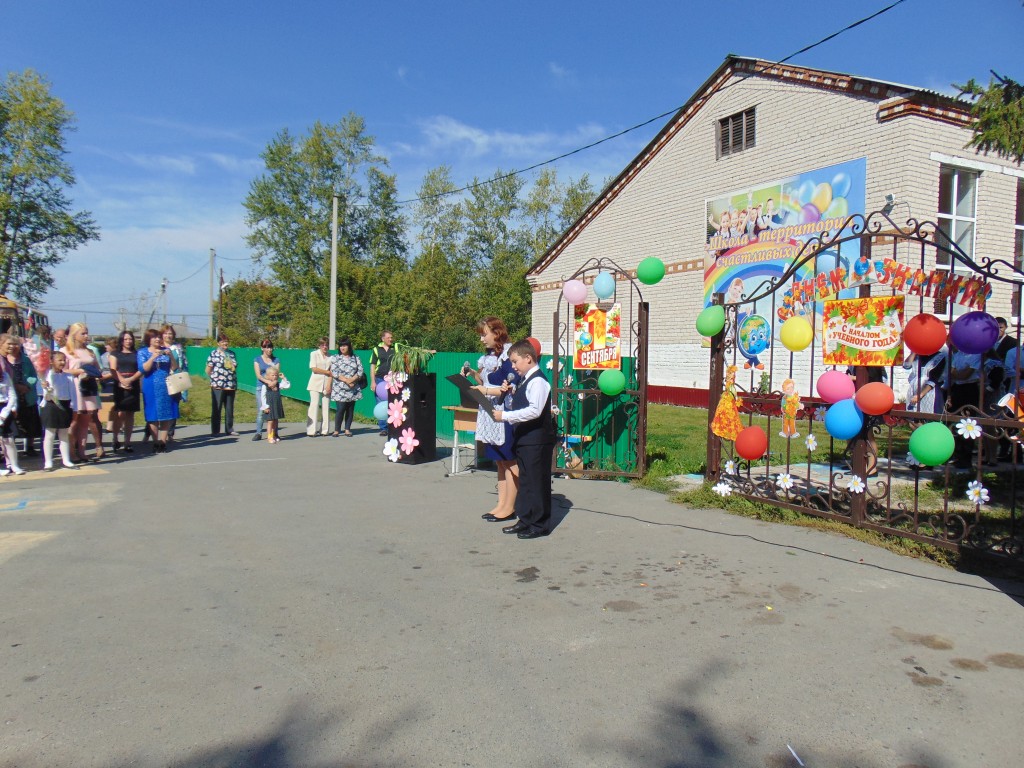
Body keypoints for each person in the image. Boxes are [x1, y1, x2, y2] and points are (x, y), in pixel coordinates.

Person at [492, 340, 556, 540]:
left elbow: (535, 411)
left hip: (537, 440)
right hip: (526, 439)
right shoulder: (525, 380)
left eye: (515, 361)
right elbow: (525, 403)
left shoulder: (538, 381)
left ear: (528, 358)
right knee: (526, 481)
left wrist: (505, 416)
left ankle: (539, 524)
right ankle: (526, 519)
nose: (513, 366)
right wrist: (511, 392)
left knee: (537, 482)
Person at [469, 317, 520, 522]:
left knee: (509, 461)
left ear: (497, 333)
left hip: (504, 413)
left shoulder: (508, 356)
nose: (482, 339)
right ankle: (501, 504)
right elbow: (486, 381)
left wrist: (485, 390)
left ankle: (510, 507)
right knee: (500, 462)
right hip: (490, 411)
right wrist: (473, 374)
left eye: (484, 334)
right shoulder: (489, 357)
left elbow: (510, 387)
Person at [64, 322, 104, 462]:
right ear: (74, 335)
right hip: (74, 386)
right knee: (74, 420)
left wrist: (93, 373)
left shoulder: (89, 351)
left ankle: (82, 451)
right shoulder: (66, 351)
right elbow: (62, 370)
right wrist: (80, 371)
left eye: (87, 333)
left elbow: (97, 369)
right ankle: (71, 452)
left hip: (88, 386)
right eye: (83, 333)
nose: (86, 336)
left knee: (86, 420)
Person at [138, 327, 177, 453]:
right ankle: (155, 441)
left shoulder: (165, 350)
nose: (157, 339)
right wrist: (153, 357)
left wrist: (171, 356)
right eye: (154, 337)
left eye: (159, 337)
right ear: (148, 339)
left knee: (166, 414)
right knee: (152, 415)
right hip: (150, 385)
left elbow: (174, 367)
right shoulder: (143, 352)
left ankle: (163, 442)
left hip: (165, 385)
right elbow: (143, 369)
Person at [39, 350, 79, 471]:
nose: (62, 362)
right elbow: (46, 396)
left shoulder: (68, 376)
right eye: (59, 360)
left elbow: (73, 394)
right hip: (51, 406)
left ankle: (66, 460)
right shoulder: (46, 376)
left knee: (64, 434)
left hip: (65, 406)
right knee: (50, 434)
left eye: (64, 360)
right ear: (51, 361)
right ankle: (48, 461)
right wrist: (46, 388)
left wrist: (75, 408)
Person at [945, 339, 982, 470]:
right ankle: (957, 455)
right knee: (956, 421)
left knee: (968, 422)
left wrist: (957, 373)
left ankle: (966, 458)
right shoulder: (958, 354)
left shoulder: (976, 354)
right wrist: (957, 373)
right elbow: (952, 372)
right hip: (958, 388)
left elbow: (965, 375)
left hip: (970, 389)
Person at [7, 336, 41, 457]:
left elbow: (33, 375)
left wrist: (27, 386)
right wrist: (16, 387)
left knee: (30, 422)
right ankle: (10, 450)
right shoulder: (4, 360)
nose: (14, 347)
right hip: (11, 394)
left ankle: (30, 447)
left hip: (27, 394)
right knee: (12, 423)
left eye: (16, 344)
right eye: (11, 344)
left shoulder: (26, 359)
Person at [108, 330, 141, 452]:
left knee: (130, 414)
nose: (128, 341)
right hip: (119, 385)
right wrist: (122, 381)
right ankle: (115, 438)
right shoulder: (115, 353)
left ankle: (127, 442)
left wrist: (131, 380)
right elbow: (113, 369)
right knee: (120, 413)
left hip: (133, 383)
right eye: (126, 339)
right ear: (121, 340)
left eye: (130, 339)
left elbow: (141, 369)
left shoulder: (137, 354)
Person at [328, 338, 363, 437]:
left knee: (350, 410)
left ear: (349, 346)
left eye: (344, 345)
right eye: (341, 346)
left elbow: (360, 371)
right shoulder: (335, 357)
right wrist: (347, 381)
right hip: (339, 388)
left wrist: (352, 380)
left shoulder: (356, 357)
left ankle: (347, 429)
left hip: (353, 388)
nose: (342, 348)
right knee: (340, 409)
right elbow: (334, 372)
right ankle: (336, 430)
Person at [205, 333, 238, 437]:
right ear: (218, 343)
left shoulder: (231, 354)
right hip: (218, 385)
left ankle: (229, 429)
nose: (225, 343)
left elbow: (234, 367)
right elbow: (208, 369)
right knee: (217, 407)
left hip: (230, 384)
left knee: (229, 408)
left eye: (226, 341)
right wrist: (215, 378)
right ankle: (215, 431)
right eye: (223, 341)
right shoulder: (213, 353)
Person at [161, 325, 187, 444]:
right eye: (165, 333)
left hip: (175, 379)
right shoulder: (158, 347)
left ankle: (170, 433)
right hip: (161, 380)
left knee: (173, 405)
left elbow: (183, 364)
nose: (168, 335)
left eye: (170, 333)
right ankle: (150, 433)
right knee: (159, 406)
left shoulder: (178, 348)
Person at [0, 351, 23, 475]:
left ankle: (14, 465)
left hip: (5, 408)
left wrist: (6, 411)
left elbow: (12, 395)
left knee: (9, 440)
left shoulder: (5, 376)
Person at [252, 339, 280, 441]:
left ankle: (275, 433)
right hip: (261, 387)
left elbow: (276, 374)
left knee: (274, 412)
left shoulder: (276, 360)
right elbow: (258, 375)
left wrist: (273, 383)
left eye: (270, 347)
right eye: (267, 347)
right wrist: (267, 382)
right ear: (262, 348)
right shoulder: (257, 359)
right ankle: (258, 433)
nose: (269, 349)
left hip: (273, 389)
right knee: (262, 410)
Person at [369, 330, 394, 435]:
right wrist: (373, 381)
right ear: (383, 339)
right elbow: (372, 366)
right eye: (388, 338)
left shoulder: (395, 348)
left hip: (392, 379)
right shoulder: (376, 349)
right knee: (380, 403)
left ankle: (393, 426)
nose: (390, 339)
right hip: (379, 379)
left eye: (391, 337)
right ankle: (383, 428)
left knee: (393, 403)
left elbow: (409, 350)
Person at [306, 337, 333, 437]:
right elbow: (314, 369)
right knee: (314, 405)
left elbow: (332, 372)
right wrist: (326, 372)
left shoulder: (331, 357)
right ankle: (311, 430)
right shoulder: (314, 354)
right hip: (315, 383)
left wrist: (329, 385)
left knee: (326, 407)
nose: (325, 347)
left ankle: (324, 430)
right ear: (319, 346)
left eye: (326, 345)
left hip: (327, 383)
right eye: (323, 345)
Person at [260, 367, 285, 443]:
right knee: (270, 421)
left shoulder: (278, 384)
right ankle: (269, 437)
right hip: (269, 405)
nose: (274, 377)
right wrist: (265, 407)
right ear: (268, 376)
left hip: (276, 404)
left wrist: (283, 378)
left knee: (275, 421)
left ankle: (274, 435)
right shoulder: (265, 386)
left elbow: (286, 385)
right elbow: (263, 397)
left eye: (276, 375)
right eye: (272, 375)